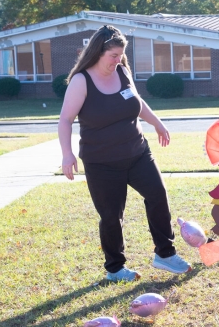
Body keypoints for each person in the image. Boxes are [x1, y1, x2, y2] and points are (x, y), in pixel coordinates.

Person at [58, 25, 191, 282]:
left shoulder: (122, 71)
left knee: (158, 195)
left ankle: (165, 253)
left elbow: (136, 102)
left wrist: (157, 122)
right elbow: (65, 120)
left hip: (137, 152)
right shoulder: (81, 81)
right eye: (113, 55)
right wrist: (67, 154)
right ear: (98, 52)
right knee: (111, 215)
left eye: (120, 55)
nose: (117, 60)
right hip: (101, 162)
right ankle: (116, 269)